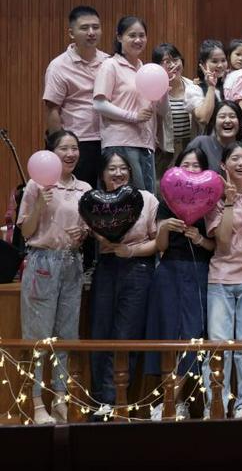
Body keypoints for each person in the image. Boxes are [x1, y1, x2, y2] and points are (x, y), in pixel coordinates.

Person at [17, 129, 90, 424]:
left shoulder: (84, 188)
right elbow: (25, 231)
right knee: (38, 336)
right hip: (42, 263)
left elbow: (86, 229)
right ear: (51, 153)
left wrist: (82, 233)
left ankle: (60, 399)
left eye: (75, 148)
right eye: (64, 148)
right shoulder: (36, 185)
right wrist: (39, 205)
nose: (71, 154)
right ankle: (36, 404)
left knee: (66, 335)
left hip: (72, 264)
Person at [145, 147, 216, 421]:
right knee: (167, 333)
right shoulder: (167, 200)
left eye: (196, 165)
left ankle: (174, 400)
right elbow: (161, 247)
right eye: (185, 164)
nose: (191, 169)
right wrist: (164, 227)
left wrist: (198, 238)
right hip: (169, 271)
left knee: (192, 334)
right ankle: (167, 400)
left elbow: (215, 246)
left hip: (198, 271)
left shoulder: (212, 199)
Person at [89, 151, 158, 418]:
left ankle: (114, 402)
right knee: (100, 333)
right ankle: (98, 402)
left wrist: (130, 251)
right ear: (103, 175)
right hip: (106, 269)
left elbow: (156, 242)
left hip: (139, 271)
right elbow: (97, 235)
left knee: (126, 336)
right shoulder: (94, 202)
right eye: (112, 169)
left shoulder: (147, 199)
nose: (118, 174)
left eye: (123, 168)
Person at [200, 142, 242, 419]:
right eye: (234, 158)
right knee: (218, 347)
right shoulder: (213, 196)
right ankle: (215, 405)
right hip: (220, 280)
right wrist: (227, 202)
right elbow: (222, 240)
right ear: (223, 165)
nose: (241, 163)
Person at [93, 16, 162, 193]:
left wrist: (165, 90)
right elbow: (99, 104)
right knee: (128, 202)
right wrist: (133, 116)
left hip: (145, 144)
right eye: (132, 35)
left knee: (148, 200)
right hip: (120, 142)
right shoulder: (110, 65)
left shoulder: (146, 69)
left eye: (142, 35)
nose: (138, 40)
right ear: (119, 37)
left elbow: (159, 110)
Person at [43, 5, 109, 187]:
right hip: (78, 144)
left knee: (105, 199)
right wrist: (60, 148)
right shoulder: (58, 66)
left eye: (96, 27)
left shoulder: (108, 62)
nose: (91, 32)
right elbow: (52, 110)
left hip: (108, 140)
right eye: (84, 28)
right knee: (79, 198)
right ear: (71, 33)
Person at [152, 43, 204, 177]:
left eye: (175, 60)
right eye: (166, 62)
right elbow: (162, 112)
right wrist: (165, 85)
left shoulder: (193, 87)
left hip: (190, 148)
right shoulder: (154, 89)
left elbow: (201, 119)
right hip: (165, 151)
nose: (172, 65)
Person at [187, 100, 242, 174]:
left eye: (232, 116)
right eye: (222, 117)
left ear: (240, 122)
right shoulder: (200, 143)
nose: (227, 120)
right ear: (214, 122)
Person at [194, 39, 228, 128]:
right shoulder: (194, 89)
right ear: (203, 64)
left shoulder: (230, 84)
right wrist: (211, 86)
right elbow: (204, 119)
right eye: (214, 61)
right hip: (209, 140)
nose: (220, 65)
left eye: (223, 60)